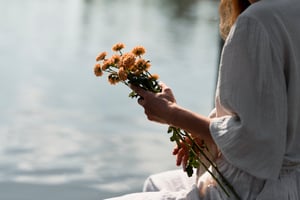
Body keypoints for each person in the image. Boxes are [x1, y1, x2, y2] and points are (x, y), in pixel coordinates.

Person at [105, 0, 300, 199]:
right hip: (290, 183)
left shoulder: (258, 19)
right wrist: (207, 131)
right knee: (156, 183)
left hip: (250, 189)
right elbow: (270, 116)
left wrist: (171, 114)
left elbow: (255, 139)